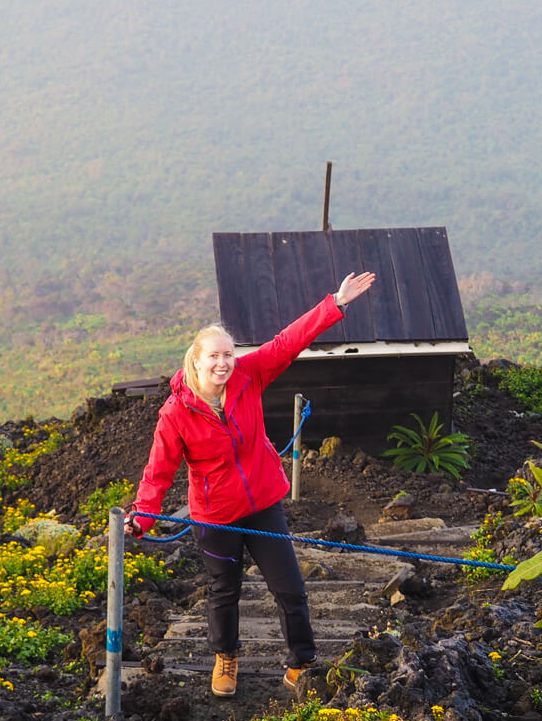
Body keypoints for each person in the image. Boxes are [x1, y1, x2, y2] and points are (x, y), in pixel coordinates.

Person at [125, 271, 377, 698]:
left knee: (290, 588)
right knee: (224, 592)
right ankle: (226, 658)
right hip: (216, 516)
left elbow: (287, 342)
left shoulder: (249, 376)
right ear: (196, 361)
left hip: (262, 504)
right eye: (214, 357)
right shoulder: (176, 413)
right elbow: (159, 471)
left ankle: (303, 660)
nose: (223, 363)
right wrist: (142, 518)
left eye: (228, 354)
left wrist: (336, 302)